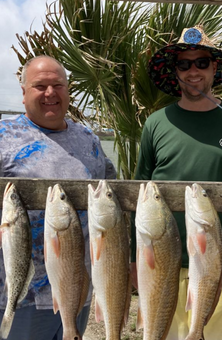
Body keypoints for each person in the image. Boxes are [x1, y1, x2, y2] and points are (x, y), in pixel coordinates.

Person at [131, 25, 222, 340]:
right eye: (184, 63)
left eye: (202, 62)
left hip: (221, 264)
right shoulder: (155, 123)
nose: (193, 71)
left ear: (215, 66)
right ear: (174, 70)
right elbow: (140, 191)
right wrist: (131, 258)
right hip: (160, 259)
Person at [0, 55, 116, 340]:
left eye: (58, 85)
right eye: (40, 86)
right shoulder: (4, 137)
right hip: (20, 296)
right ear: (24, 91)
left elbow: (111, 190)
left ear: (68, 90)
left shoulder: (88, 139)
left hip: (79, 285)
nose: (50, 93)